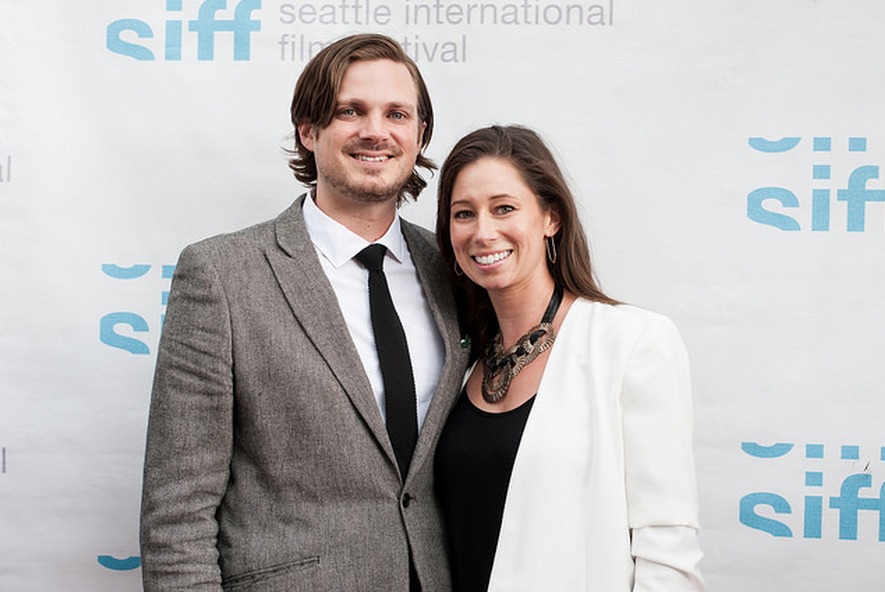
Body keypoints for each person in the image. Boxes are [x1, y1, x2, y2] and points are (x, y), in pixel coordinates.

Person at [140, 34, 470, 591]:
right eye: (350, 111)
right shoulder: (221, 275)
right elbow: (177, 515)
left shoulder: (458, 267)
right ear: (309, 130)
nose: (375, 131)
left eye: (397, 113)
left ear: (419, 136)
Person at [434, 125, 704, 591]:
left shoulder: (633, 341)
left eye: (504, 208)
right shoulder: (456, 356)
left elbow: (667, 550)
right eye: (464, 214)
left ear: (550, 218)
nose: (483, 231)